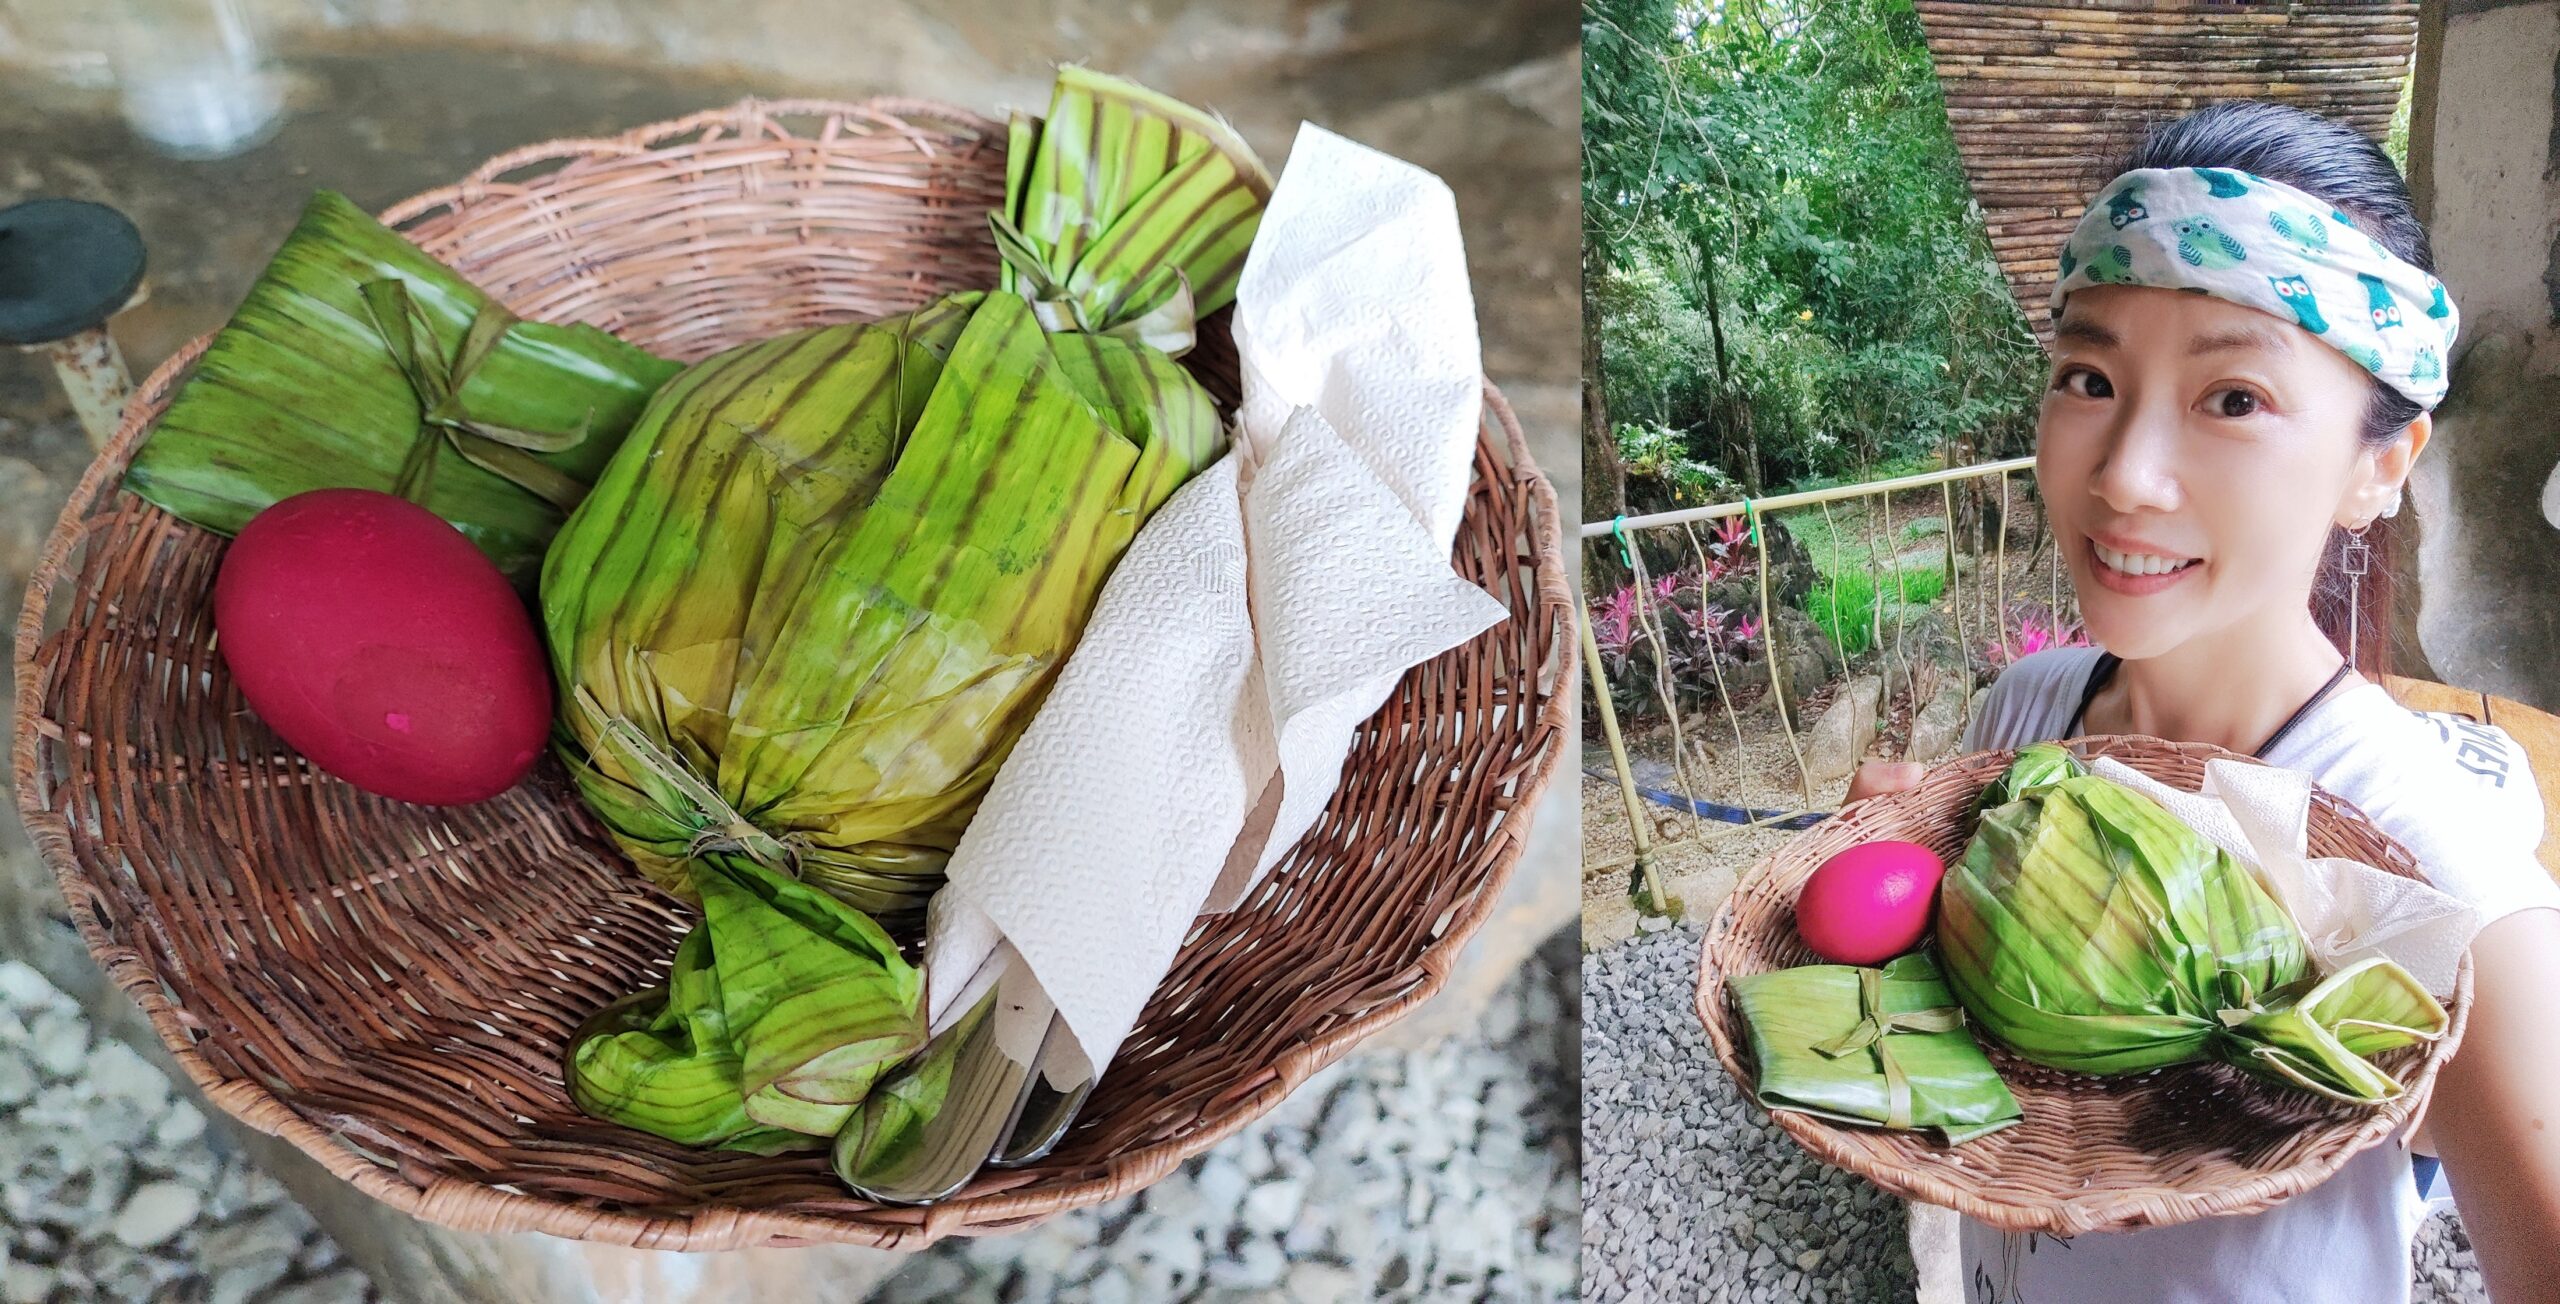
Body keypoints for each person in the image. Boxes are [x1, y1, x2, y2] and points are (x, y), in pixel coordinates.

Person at [1849, 101, 2560, 1303]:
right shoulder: (2019, 717)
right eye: (2088, 375)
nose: (2122, 471)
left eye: (2233, 396)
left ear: (2379, 461)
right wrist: (1900, 907)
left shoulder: (2439, 885)